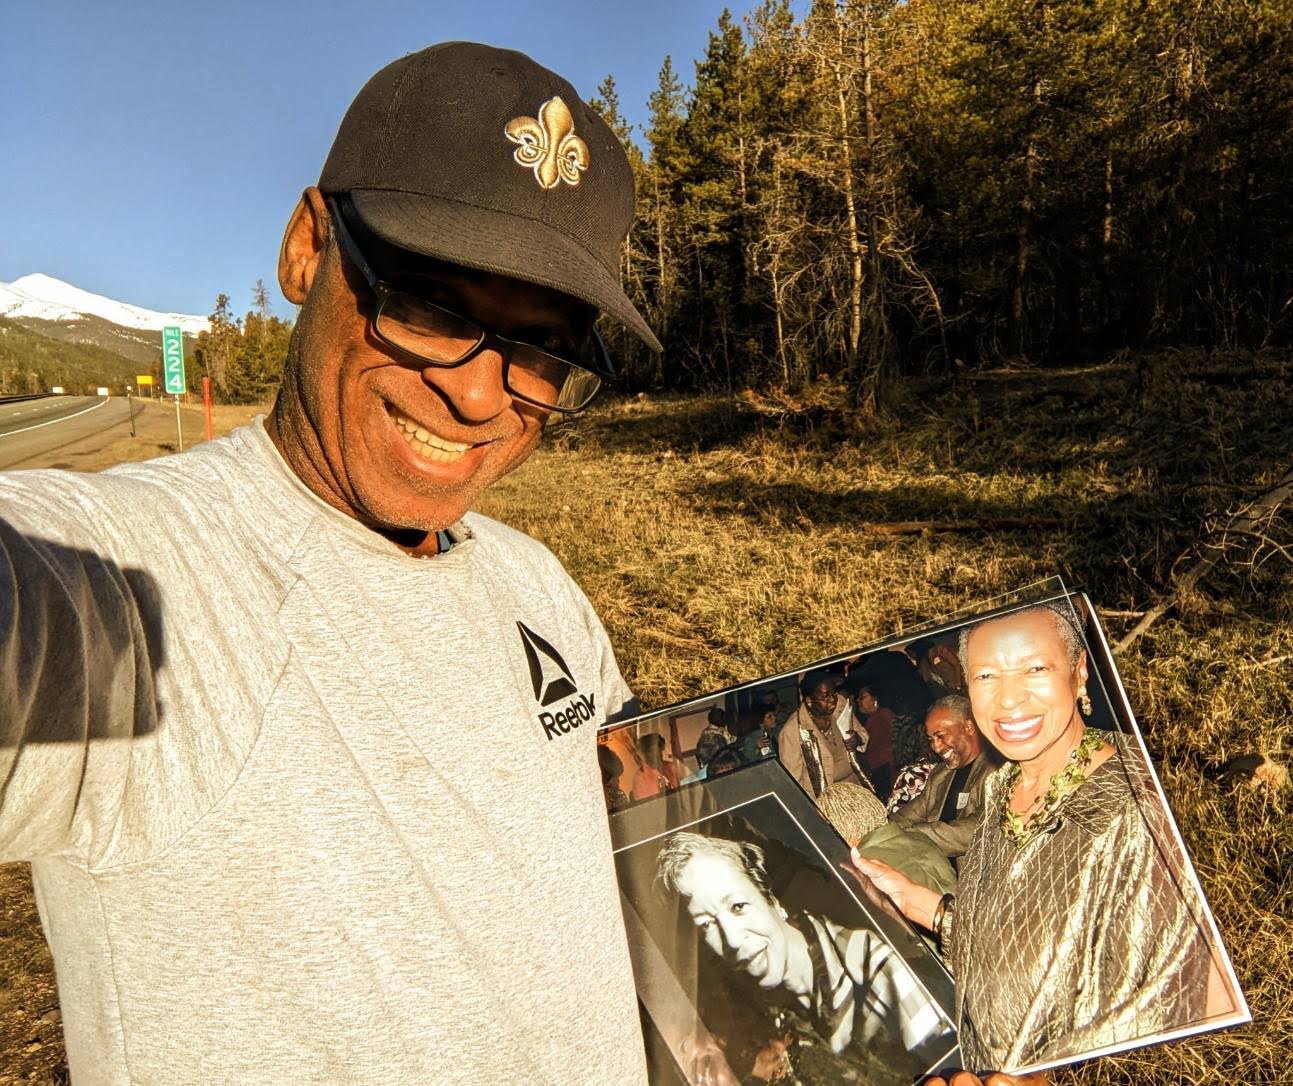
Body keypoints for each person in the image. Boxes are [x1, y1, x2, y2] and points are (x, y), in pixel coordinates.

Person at [0, 42, 661, 1084]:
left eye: (540, 351)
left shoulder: (539, 588)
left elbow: (646, 887)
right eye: (435, 307)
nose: (483, 398)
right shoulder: (141, 583)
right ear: (310, 247)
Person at [854, 605, 1218, 1071]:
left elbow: (1183, 1018)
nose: (1007, 699)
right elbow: (1004, 942)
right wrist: (922, 904)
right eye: (986, 676)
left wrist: (1043, 1077)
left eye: (1034, 668)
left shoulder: (1137, 799)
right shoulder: (1000, 786)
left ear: (1079, 671)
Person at [656, 832, 956, 1085]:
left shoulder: (872, 969)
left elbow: (954, 1063)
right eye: (706, 924)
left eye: (737, 906)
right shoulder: (765, 1006)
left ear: (772, 900)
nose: (732, 940)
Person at [779, 672, 887, 845]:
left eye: (833, 693)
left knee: (875, 835)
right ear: (808, 700)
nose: (832, 700)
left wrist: (856, 739)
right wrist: (815, 816)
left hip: (856, 786)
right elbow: (794, 784)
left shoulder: (840, 707)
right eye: (825, 696)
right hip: (831, 802)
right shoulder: (792, 732)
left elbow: (862, 734)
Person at [889, 694, 996, 860]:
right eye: (931, 739)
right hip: (935, 871)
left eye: (941, 736)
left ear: (968, 727)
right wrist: (878, 835)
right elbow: (904, 818)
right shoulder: (940, 774)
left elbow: (975, 830)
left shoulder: (997, 770)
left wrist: (909, 836)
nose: (936, 747)